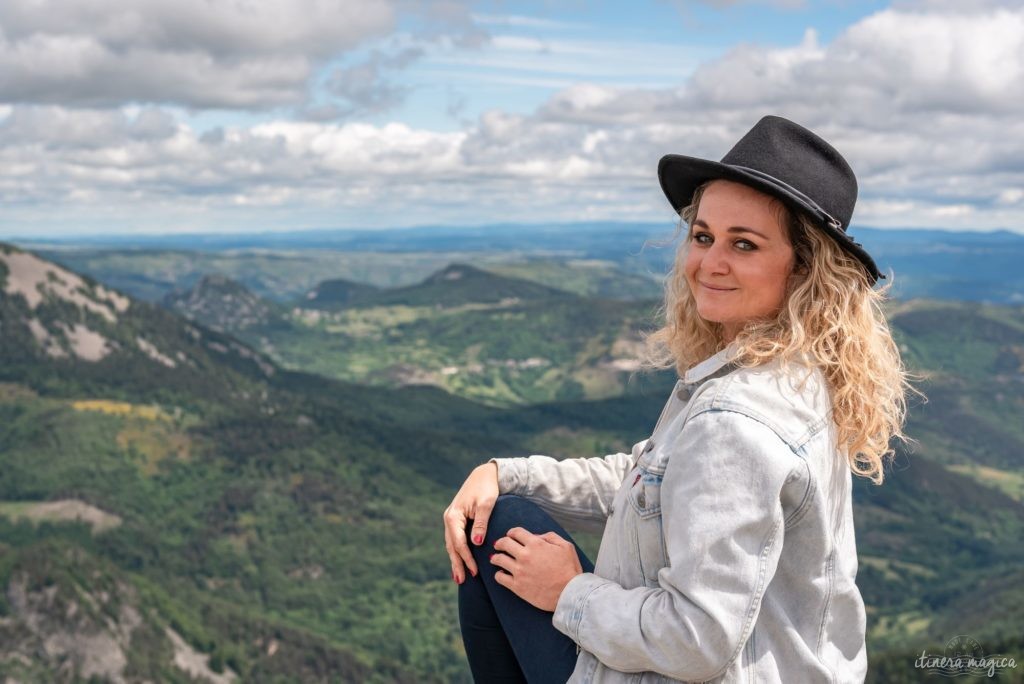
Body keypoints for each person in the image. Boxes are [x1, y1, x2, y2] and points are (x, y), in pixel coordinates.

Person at [442, 115, 917, 683]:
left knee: (498, 529)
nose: (709, 262)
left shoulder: (735, 421)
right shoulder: (796, 375)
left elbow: (698, 640)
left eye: (744, 244)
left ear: (804, 271)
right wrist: (508, 473)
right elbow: (656, 486)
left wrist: (569, 590)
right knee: (505, 504)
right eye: (703, 235)